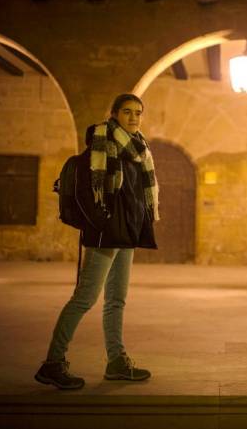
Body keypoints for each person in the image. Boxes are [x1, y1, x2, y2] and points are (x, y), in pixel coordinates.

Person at [35, 93, 160, 390]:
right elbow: (86, 194)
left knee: (116, 300)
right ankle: (53, 363)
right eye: (127, 112)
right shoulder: (100, 148)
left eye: (138, 113)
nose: (133, 117)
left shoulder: (137, 151)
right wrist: (103, 224)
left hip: (125, 236)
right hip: (105, 236)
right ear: (114, 113)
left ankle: (116, 362)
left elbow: (132, 198)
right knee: (84, 298)